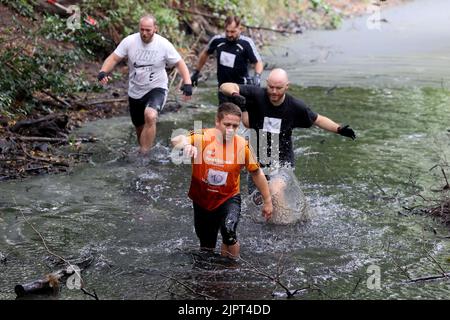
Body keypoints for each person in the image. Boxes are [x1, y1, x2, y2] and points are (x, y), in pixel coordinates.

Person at [219, 68, 356, 199]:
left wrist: (339, 129)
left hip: (282, 162)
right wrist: (235, 95)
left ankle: (284, 221)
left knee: (274, 190)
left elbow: (318, 119)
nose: (273, 92)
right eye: (271, 87)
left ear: (287, 86)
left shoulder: (296, 107)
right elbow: (225, 86)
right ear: (267, 84)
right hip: (257, 162)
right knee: (256, 200)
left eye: (278, 88)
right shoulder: (257, 95)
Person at [171, 103, 273, 259]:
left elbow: (256, 173)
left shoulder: (242, 146)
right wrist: (185, 146)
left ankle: (231, 269)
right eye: (227, 124)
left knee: (229, 231)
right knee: (206, 246)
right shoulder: (203, 137)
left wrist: (268, 201)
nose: (231, 129)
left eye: (235, 126)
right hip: (202, 199)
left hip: (228, 198)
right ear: (217, 122)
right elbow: (177, 138)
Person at [97, 14, 193, 154]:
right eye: (142, 29)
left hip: (156, 88)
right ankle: (146, 151)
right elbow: (113, 58)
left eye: (148, 30)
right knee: (140, 129)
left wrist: (188, 83)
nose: (144, 33)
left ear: (155, 28)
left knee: (150, 115)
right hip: (135, 91)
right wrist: (103, 72)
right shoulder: (130, 41)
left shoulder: (163, 44)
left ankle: (144, 157)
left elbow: (179, 63)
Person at [190, 16, 264, 104]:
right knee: (224, 114)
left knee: (241, 113)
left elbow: (258, 62)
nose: (229, 35)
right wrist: (196, 72)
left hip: (240, 87)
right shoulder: (218, 40)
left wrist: (257, 76)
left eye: (233, 32)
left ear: (240, 29)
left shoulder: (246, 43)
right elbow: (205, 53)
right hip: (223, 87)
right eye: (227, 31)